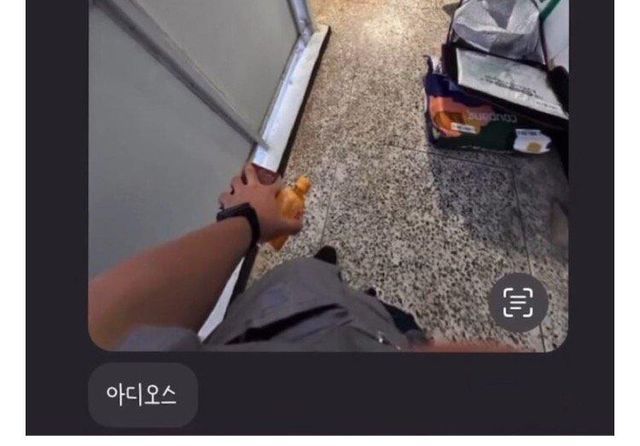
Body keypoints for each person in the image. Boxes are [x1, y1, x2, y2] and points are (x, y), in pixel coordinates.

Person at [89, 164, 518, 352]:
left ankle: (333, 281)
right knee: (387, 317)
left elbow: (109, 326)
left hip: (292, 313)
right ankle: (346, 290)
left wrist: (247, 221)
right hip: (377, 332)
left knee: (317, 281)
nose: (496, 347)